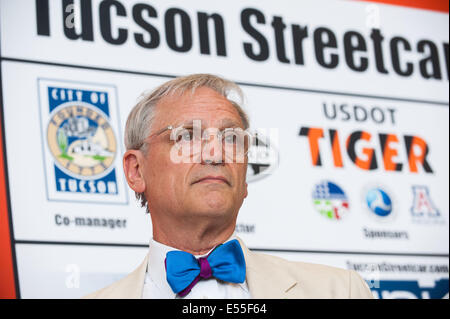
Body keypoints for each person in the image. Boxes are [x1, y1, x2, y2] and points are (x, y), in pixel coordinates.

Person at [84, 74, 373, 299]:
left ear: (245, 177)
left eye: (231, 139)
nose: (216, 154)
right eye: (187, 136)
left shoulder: (340, 290)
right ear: (136, 170)